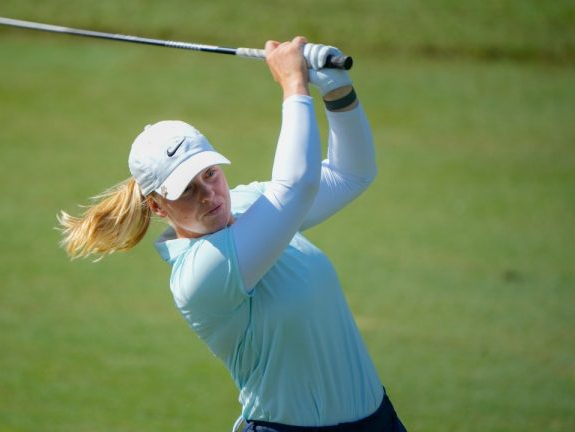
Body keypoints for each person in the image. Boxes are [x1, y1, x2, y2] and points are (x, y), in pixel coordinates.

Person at [58, 36, 407, 432]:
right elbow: (296, 187)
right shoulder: (200, 274)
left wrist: (336, 91)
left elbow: (351, 173)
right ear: (158, 207)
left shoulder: (247, 204)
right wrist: (293, 86)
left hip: (379, 422)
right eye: (186, 189)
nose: (209, 195)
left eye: (210, 174)